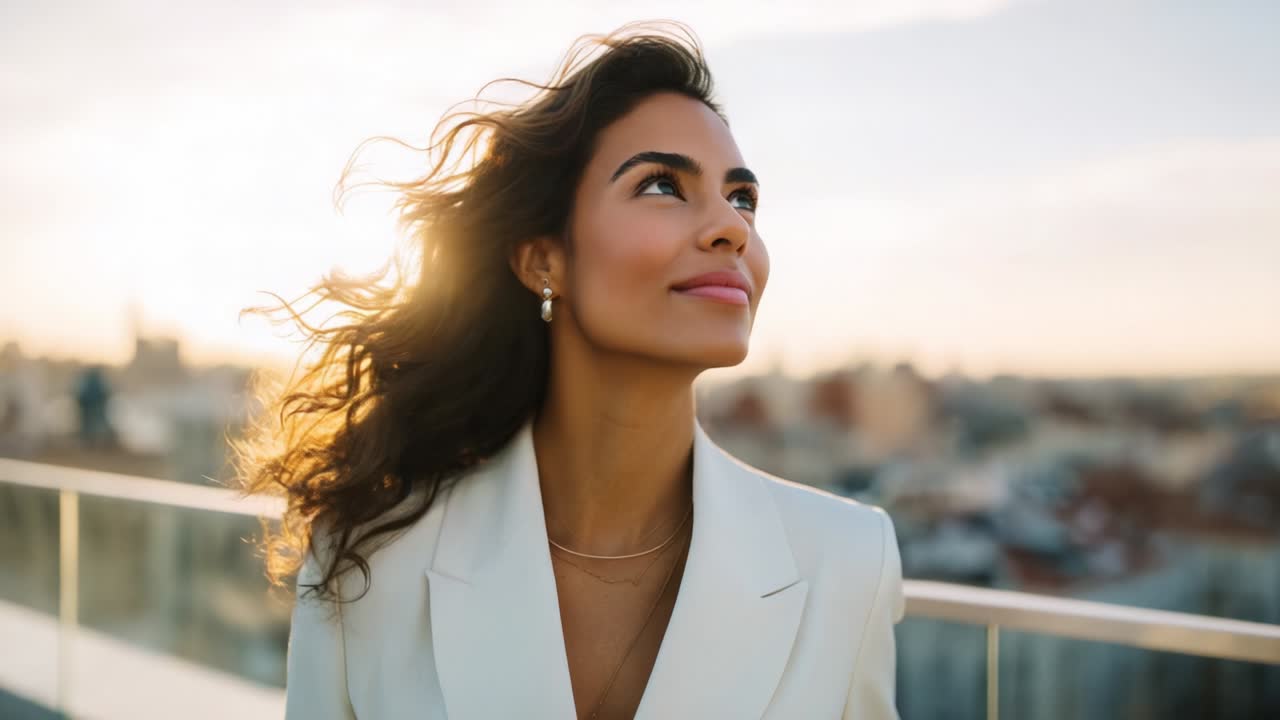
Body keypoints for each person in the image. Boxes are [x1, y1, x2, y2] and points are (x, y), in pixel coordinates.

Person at [236, 20, 904, 720]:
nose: (732, 228)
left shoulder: (847, 563)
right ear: (543, 259)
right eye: (662, 185)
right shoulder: (369, 561)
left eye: (742, 198)